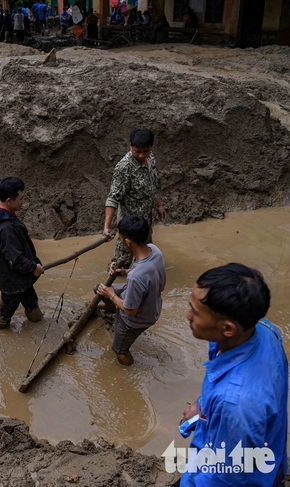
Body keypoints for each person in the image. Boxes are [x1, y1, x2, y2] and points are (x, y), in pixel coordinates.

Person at [177, 263, 287, 486]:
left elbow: (225, 478)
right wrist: (203, 408)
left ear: (228, 328)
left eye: (196, 313)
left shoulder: (235, 405)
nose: (188, 315)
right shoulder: (264, 330)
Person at [96, 215, 165, 366]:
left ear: (127, 242)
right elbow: (148, 274)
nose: (121, 241)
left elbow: (131, 310)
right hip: (153, 302)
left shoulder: (136, 277)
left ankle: (129, 370)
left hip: (134, 320)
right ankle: (111, 308)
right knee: (99, 289)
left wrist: (112, 295)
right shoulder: (154, 251)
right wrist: (125, 271)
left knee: (119, 350)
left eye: (121, 238)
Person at [0, 177, 45, 330]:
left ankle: (37, 321)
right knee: (5, 312)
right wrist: (33, 267)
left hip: (21, 276)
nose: (23, 201)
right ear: (9, 200)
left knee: (32, 302)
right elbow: (15, 259)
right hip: (13, 279)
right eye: (21, 198)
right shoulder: (6, 228)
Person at [103, 128, 166, 267]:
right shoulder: (124, 168)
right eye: (137, 151)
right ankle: (111, 284)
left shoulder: (150, 158)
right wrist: (106, 227)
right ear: (130, 146)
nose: (142, 155)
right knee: (120, 263)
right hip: (129, 226)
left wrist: (159, 205)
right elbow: (113, 198)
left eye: (146, 151)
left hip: (146, 223)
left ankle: (139, 279)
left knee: (146, 256)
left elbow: (152, 186)